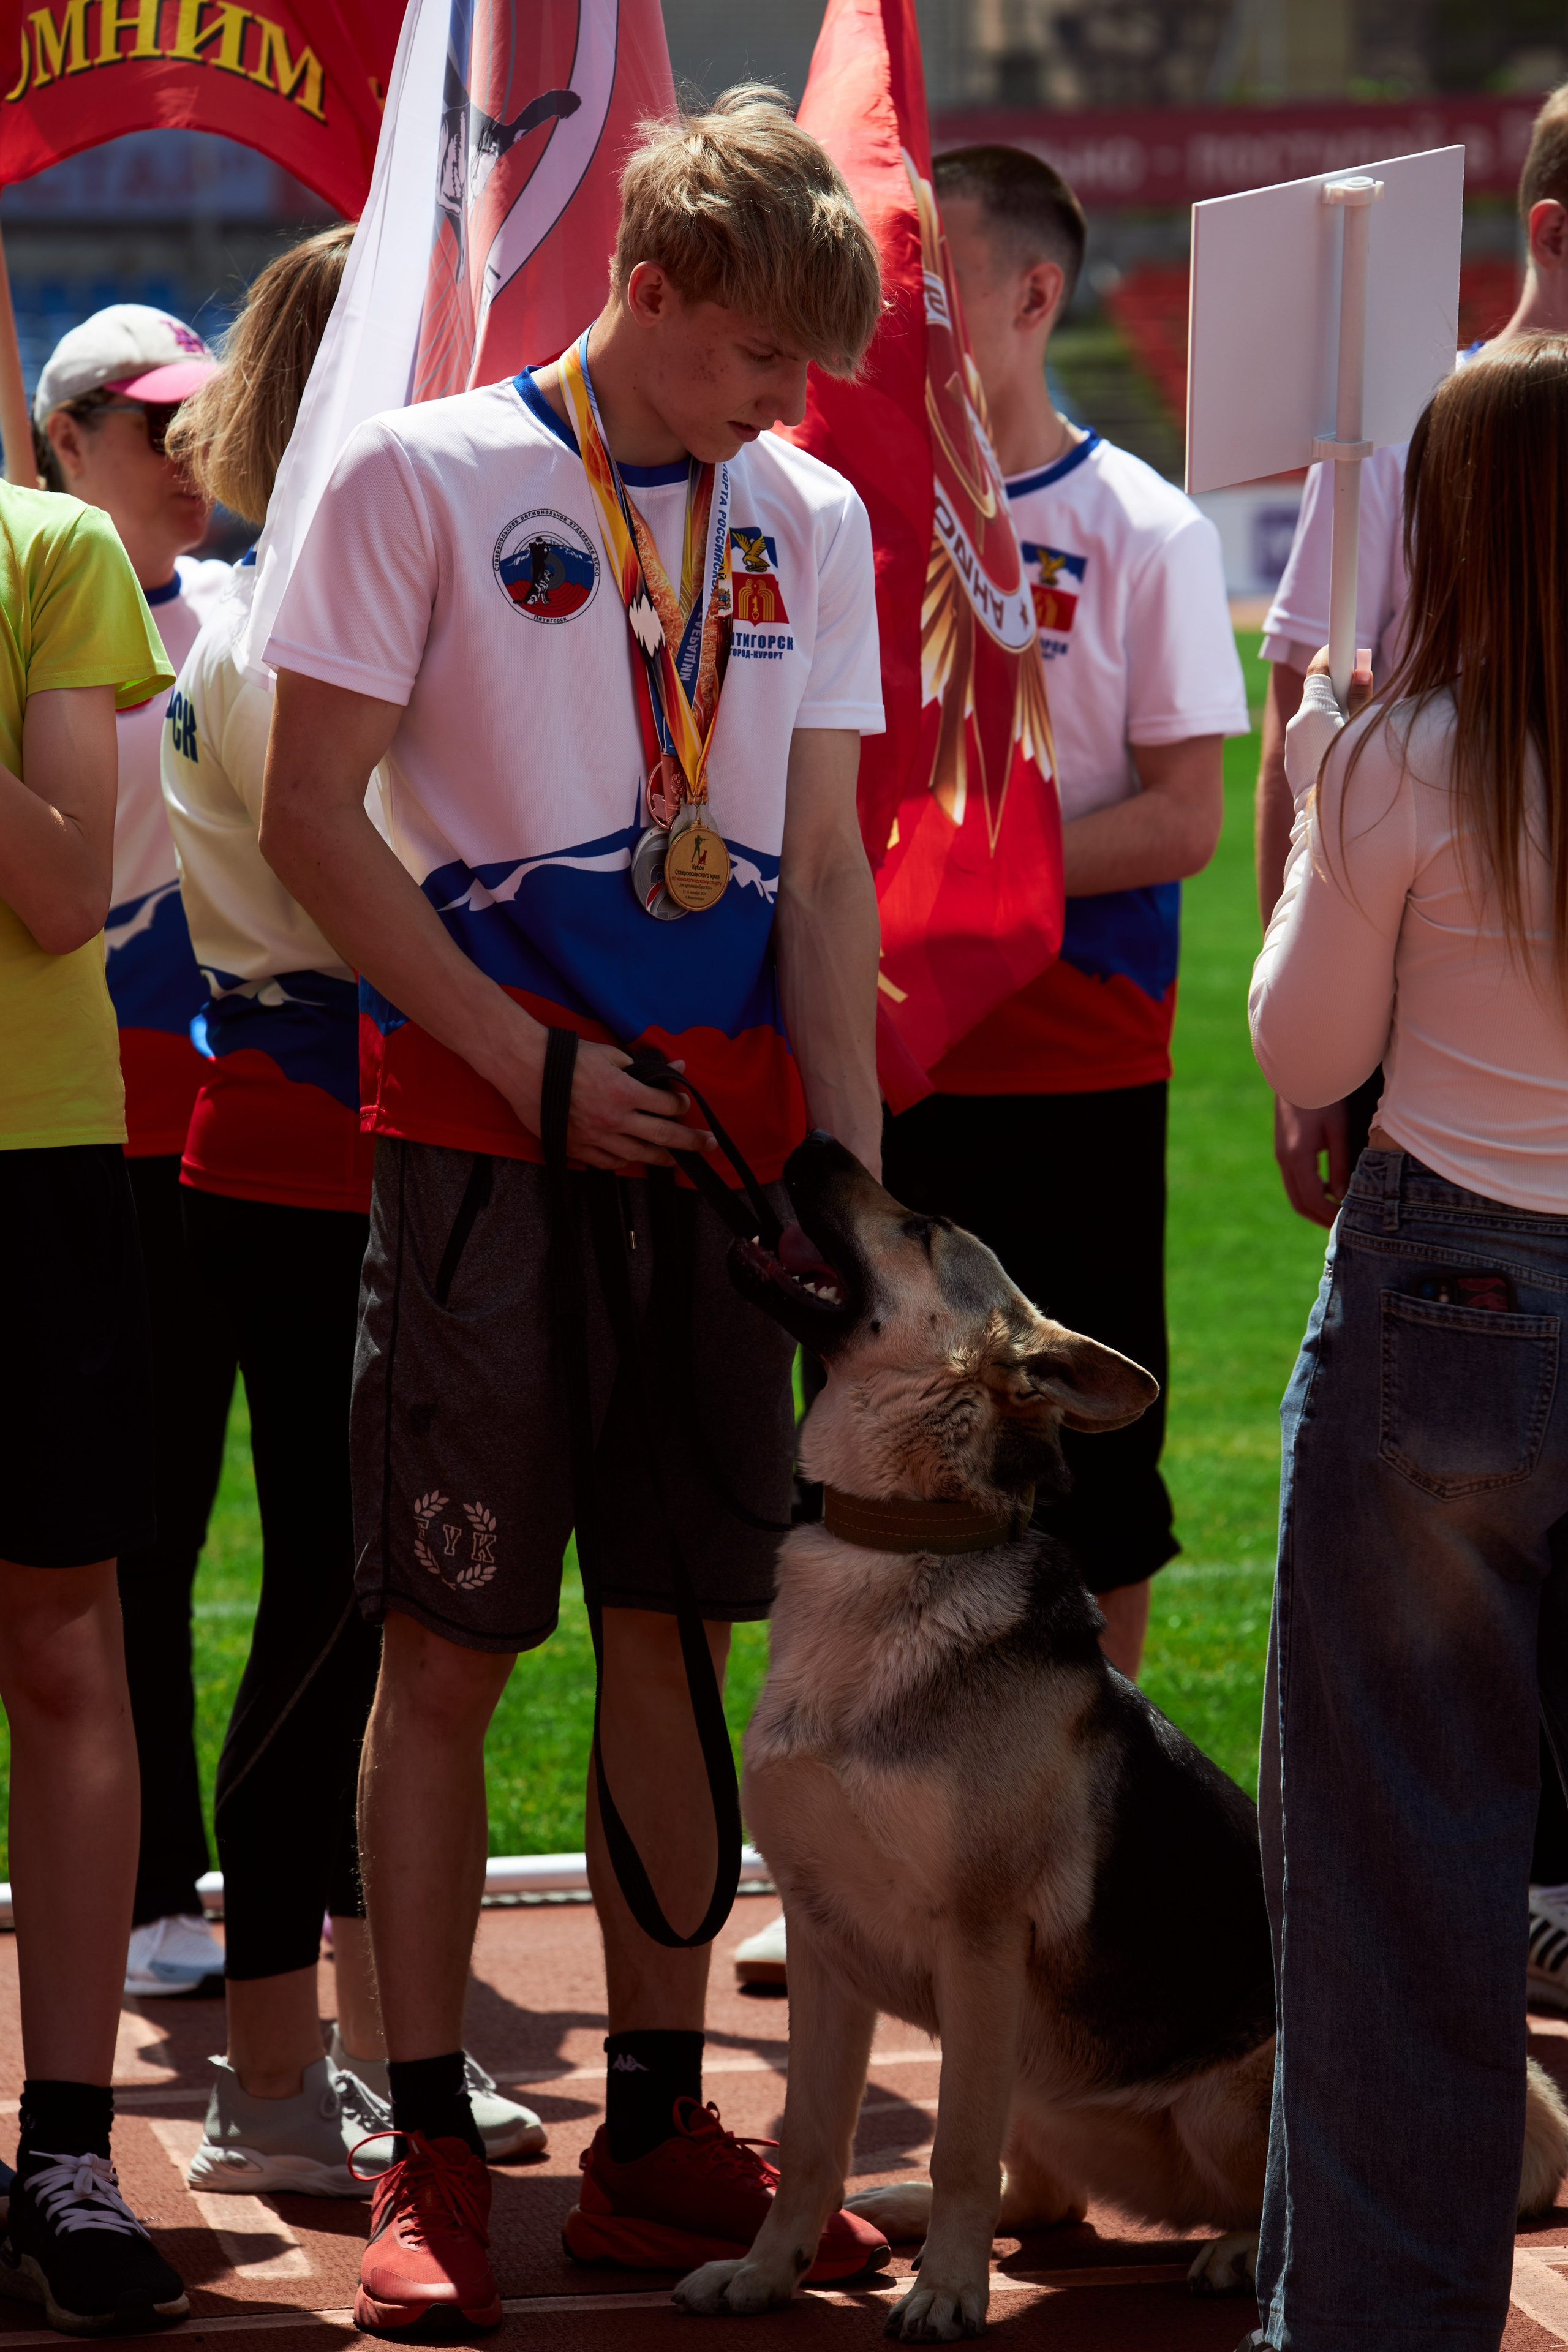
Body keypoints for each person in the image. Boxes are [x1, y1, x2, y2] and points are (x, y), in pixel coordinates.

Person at [258, 86, 890, 2332]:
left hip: (713, 1175)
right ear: (649, 293)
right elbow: (311, 815)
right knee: (444, 1652)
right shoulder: (421, 475)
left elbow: (823, 873)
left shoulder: (804, 515)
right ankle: (426, 2131)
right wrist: (525, 1066)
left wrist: (864, 1208)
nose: (786, 413)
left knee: (675, 1635)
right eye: (754, 361)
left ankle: (653, 2131)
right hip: (474, 1149)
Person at [159, 224, 542, 2198]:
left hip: (323, 1142)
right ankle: (270, 2071)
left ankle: (380, 2051)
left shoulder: (293, 595)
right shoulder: (296, 616)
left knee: (387, 1613)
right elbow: (383, 892)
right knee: (332, 1615)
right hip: (324, 1152)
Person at [1246, 333, 1568, 2352]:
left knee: (1391, 1874)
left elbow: (1305, 1053)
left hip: (1452, 1295)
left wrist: (1311, 797)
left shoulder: (1406, 754)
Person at [883, 145, 1248, 1678]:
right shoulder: (856, 514)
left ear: (1034, 294)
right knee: (890, 1461)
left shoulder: (1145, 530)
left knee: (1092, 1470)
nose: (907, 315)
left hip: (1077, 1064)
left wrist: (977, 884)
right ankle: (883, 1869)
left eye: (936, 282)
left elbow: (1183, 817)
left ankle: (1089, 1851)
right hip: (891, 1061)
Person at [0, 437, 189, 2329]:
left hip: (32, 1158)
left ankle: (64, 2140)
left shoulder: (54, 545)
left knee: (64, 1645)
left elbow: (65, 890)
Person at [34, 304, 236, 2001]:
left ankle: (261, 1891)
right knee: (124, 1539)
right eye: (151, 424)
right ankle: (154, 1878)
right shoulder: (39, 613)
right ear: (64, 438)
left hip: (245, 1136)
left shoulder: (248, 611)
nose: (187, 457)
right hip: (84, 1139)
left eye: (206, 424)